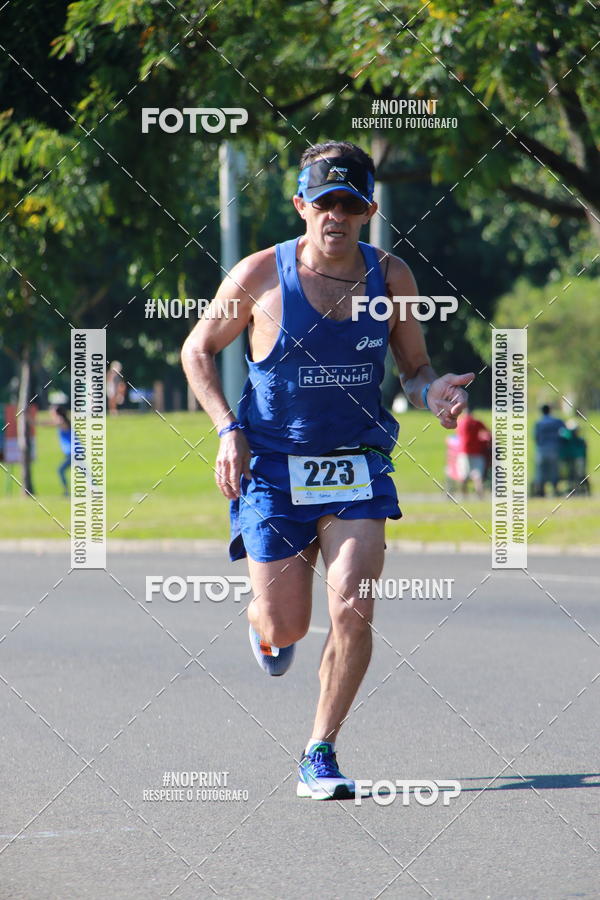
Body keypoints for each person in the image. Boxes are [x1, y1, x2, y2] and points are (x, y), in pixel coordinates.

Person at [182, 140, 473, 800]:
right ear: (300, 206)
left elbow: (414, 367)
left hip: (357, 464)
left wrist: (437, 394)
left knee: (354, 608)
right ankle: (265, 626)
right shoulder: (259, 275)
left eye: (348, 203)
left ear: (368, 210)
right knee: (286, 624)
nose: (334, 215)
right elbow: (196, 350)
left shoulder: (391, 276)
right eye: (323, 203)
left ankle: (320, 749)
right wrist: (227, 430)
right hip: (274, 470)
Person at [455, 407, 491, 498]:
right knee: (477, 476)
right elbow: (488, 432)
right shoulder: (477, 422)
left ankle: (464, 496)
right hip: (477, 451)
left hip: (463, 451)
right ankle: (480, 496)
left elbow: (457, 434)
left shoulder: (460, 422)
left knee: (464, 476)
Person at [534, 404, 565, 497]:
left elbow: (536, 437)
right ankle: (555, 490)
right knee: (554, 470)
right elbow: (565, 432)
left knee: (541, 471)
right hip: (554, 448)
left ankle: (541, 492)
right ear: (550, 410)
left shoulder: (539, 422)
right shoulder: (557, 421)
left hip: (542, 449)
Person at [51, 406, 72, 495]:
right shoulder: (64, 421)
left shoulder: (62, 421)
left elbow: (52, 424)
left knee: (60, 470)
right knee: (85, 472)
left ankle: (66, 492)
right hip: (73, 453)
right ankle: (96, 490)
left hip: (73, 453)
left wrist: (34, 422)